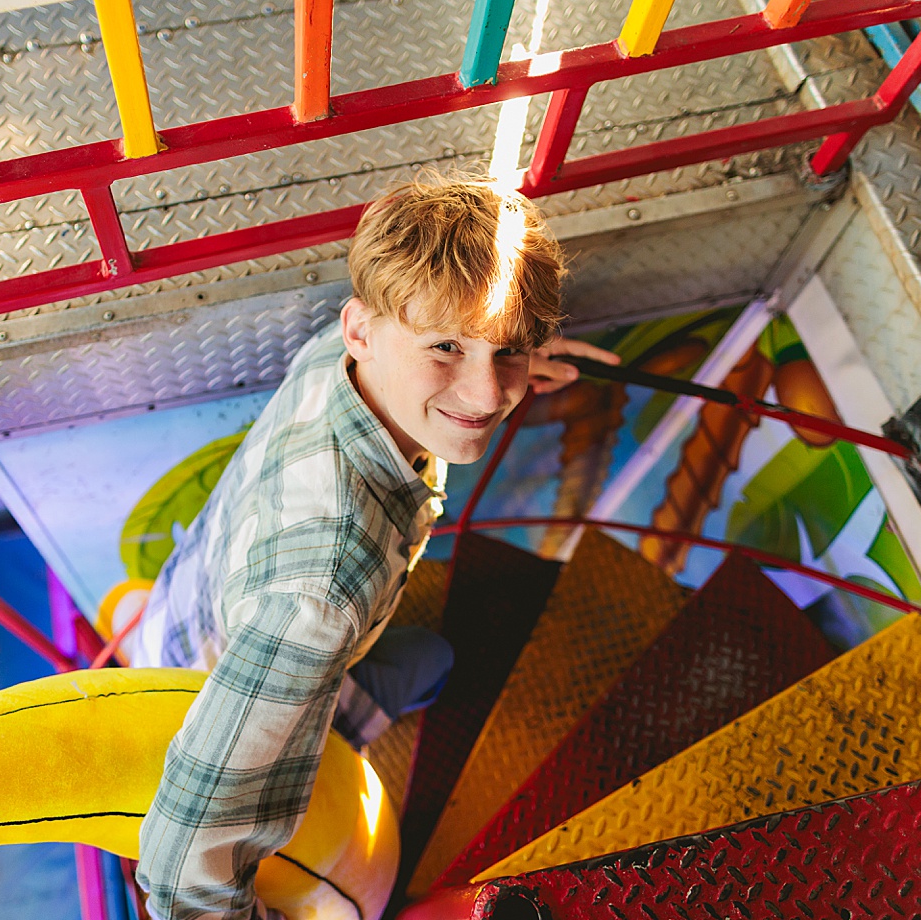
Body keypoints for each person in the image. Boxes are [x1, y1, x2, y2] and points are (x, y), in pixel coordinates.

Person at [121, 171, 618, 920]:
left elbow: (458, 357)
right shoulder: (326, 585)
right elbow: (183, 853)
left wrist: (480, 351)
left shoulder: (344, 354)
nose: (488, 397)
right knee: (437, 664)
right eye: (446, 347)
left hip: (178, 615)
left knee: (431, 660)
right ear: (363, 330)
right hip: (203, 700)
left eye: (510, 351)